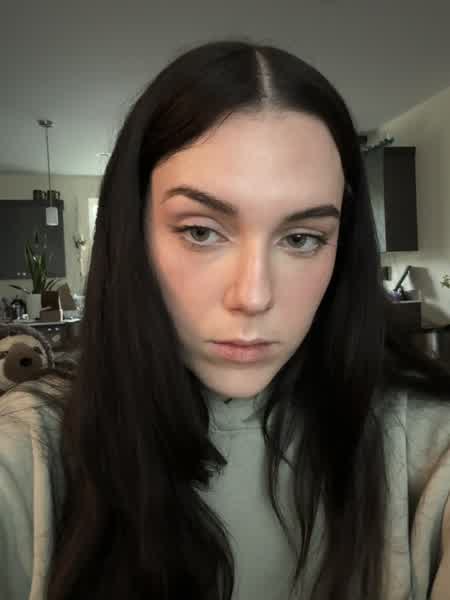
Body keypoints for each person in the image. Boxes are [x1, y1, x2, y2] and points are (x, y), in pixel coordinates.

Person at [1, 39, 450, 600]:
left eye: (302, 238)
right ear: (133, 235)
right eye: (200, 231)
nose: (253, 296)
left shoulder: (425, 452)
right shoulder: (30, 453)